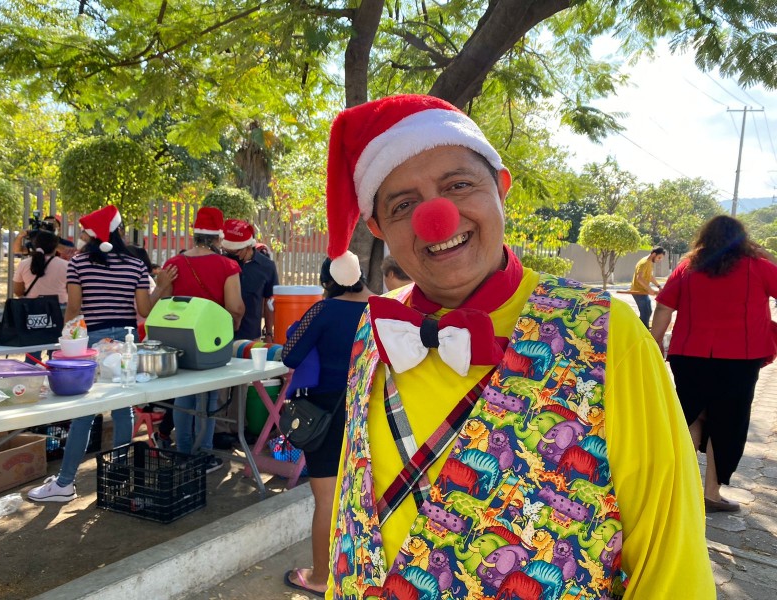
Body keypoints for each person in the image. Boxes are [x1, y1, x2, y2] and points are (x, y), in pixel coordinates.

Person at [321, 95, 714, 599]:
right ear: (377, 229)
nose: (435, 218)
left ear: (501, 188)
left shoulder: (608, 333)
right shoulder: (373, 328)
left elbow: (670, 553)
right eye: (402, 205)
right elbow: (353, 512)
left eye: (458, 185)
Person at [27, 205, 176, 502]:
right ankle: (117, 478)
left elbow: (73, 308)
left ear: (91, 236)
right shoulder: (134, 265)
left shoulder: (78, 263)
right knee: (124, 409)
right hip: (126, 342)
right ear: (119, 230)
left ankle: (65, 483)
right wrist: (160, 287)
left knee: (84, 413)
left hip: (92, 343)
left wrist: (67, 342)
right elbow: (145, 311)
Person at [651, 215, 777, 513]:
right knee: (727, 424)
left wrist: (655, 341)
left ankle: (683, 491)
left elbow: (664, 307)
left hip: (689, 356)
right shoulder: (758, 266)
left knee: (691, 417)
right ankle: (711, 493)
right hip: (739, 360)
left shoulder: (687, 267)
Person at [282, 258, 373, 598]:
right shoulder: (384, 306)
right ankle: (359, 567)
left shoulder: (324, 310)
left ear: (329, 282)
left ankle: (321, 577)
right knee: (358, 495)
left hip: (326, 413)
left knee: (327, 499)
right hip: (368, 408)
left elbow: (290, 355)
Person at [160, 207, 245, 473]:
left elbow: (164, 305)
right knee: (208, 399)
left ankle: (184, 452)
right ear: (219, 237)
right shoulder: (228, 266)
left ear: (194, 234)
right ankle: (204, 453)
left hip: (177, 340)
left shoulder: (172, 264)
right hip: (210, 341)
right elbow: (236, 307)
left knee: (182, 398)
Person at [221, 219, 279, 342]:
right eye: (227, 251)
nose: (230, 255)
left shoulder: (267, 266)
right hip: (222, 334)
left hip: (251, 336)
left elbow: (270, 302)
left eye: (235, 252)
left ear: (248, 246)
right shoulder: (222, 262)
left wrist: (268, 333)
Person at [12, 230, 68, 305]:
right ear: (55, 247)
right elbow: (71, 290)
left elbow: (18, 291)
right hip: (59, 309)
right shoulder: (66, 265)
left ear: (35, 246)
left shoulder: (24, 264)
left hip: (32, 309)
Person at [629, 246, 665, 328]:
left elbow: (650, 276)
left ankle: (639, 328)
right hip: (638, 291)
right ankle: (644, 331)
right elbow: (639, 278)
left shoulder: (649, 263)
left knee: (648, 311)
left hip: (643, 291)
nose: (659, 260)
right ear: (654, 254)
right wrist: (650, 289)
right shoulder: (644, 262)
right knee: (645, 312)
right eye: (659, 258)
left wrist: (658, 286)